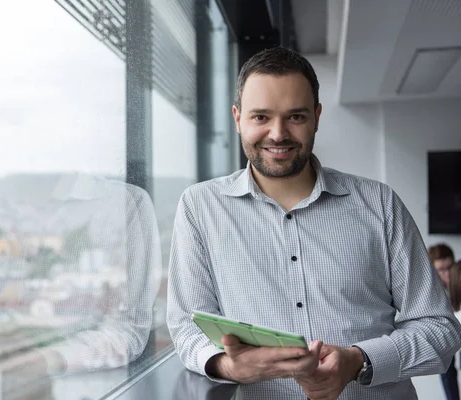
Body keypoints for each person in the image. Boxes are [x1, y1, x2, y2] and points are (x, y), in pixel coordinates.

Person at [166, 46, 461, 400]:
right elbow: (187, 326)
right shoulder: (200, 208)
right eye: (261, 117)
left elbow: (440, 328)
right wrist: (227, 366)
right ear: (237, 118)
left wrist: (359, 361)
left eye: (296, 117)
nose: (278, 134)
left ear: (317, 117)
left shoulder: (380, 204)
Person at [431, 243, 461, 400]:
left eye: (450, 267)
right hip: (446, 332)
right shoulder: (432, 290)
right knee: (447, 368)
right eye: (441, 269)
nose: (447, 274)